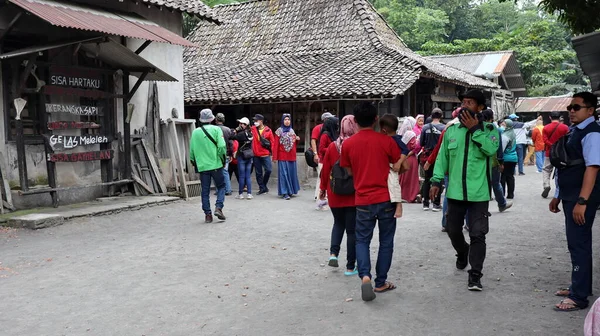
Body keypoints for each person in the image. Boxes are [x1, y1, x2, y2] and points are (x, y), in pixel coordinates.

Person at [430, 89, 499, 291]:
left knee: (478, 234)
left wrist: (475, 130)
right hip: (455, 192)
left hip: (479, 193)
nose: (465, 106)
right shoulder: (451, 131)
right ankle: (462, 252)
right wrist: (435, 181)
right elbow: (442, 158)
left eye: (470, 103)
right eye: (463, 102)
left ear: (480, 108)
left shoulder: (490, 130)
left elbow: (491, 150)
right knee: (453, 230)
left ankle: (475, 275)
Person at [340, 102, 404, 302]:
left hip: (363, 200)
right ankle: (381, 282)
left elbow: (348, 171)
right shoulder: (386, 142)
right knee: (386, 241)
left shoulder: (348, 144)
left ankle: (365, 275)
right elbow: (397, 167)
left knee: (362, 240)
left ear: (356, 121)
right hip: (386, 199)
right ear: (376, 119)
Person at [549, 92, 600, 312]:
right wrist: (559, 194)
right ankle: (579, 286)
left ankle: (579, 297)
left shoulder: (592, 133)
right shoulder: (576, 132)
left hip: (581, 198)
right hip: (571, 196)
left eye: (577, 107)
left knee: (578, 243)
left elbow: (593, 167)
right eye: (570, 106)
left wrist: (582, 200)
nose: (571, 110)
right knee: (576, 242)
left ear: (590, 110)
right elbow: (568, 166)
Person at [320, 115, 359, 276]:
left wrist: (322, 189)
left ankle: (333, 254)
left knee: (338, 224)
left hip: (335, 193)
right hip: (352, 194)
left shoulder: (332, 147)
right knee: (351, 230)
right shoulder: (358, 146)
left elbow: (325, 171)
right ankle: (350, 267)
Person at [189, 109, 227, 223]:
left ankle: (208, 215)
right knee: (221, 186)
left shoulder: (195, 132)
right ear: (212, 119)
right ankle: (218, 207)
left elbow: (192, 150)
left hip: (202, 166)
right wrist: (223, 159)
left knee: (205, 191)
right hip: (215, 164)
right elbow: (221, 147)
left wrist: (193, 162)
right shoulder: (216, 129)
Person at [379, 114, 410, 218]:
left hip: (393, 165)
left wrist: (399, 162)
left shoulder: (395, 139)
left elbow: (405, 150)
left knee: (394, 183)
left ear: (383, 130)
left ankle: (398, 204)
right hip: (390, 165)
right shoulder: (390, 139)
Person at [482, 109, 513, 213]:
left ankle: (482, 209)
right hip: (493, 162)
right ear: (492, 118)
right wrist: (501, 162)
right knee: (496, 183)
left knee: (482, 185)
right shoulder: (495, 129)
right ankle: (502, 204)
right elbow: (498, 147)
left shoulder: (477, 128)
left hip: (479, 162)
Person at [420, 108, 445, 211]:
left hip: (427, 157)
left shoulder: (425, 127)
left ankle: (426, 203)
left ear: (431, 115)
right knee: (437, 179)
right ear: (441, 116)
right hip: (438, 156)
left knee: (427, 179)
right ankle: (436, 203)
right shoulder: (444, 128)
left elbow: (421, 143)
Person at [273, 114, 301, 200]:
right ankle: (285, 192)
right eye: (285, 119)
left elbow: (293, 144)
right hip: (282, 156)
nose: (287, 121)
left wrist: (297, 140)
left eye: (288, 119)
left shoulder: (292, 131)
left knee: (291, 174)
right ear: (282, 121)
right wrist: (274, 157)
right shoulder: (279, 131)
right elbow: (276, 145)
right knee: (284, 174)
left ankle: (290, 191)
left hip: (291, 156)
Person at [542, 111, 569, 198]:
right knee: (560, 170)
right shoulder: (565, 127)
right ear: (560, 117)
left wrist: (552, 146)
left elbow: (545, 140)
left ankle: (546, 185)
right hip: (562, 153)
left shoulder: (546, 128)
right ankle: (559, 189)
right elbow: (567, 140)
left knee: (546, 169)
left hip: (549, 153)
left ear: (550, 117)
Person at [397, 117, 421, 203]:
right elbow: (415, 147)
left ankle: (402, 194)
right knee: (411, 178)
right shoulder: (412, 134)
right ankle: (411, 195)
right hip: (411, 158)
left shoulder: (403, 134)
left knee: (403, 177)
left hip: (403, 157)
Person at [312, 112, 335, 200]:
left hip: (328, 159)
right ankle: (318, 195)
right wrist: (315, 154)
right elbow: (314, 141)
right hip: (321, 158)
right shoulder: (318, 129)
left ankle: (323, 195)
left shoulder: (331, 130)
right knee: (321, 177)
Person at [251, 114, 276, 195]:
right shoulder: (252, 129)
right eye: (254, 121)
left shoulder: (268, 130)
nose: (255, 122)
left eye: (256, 120)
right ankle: (262, 188)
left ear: (261, 121)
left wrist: (273, 155)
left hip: (265, 154)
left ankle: (263, 185)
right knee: (258, 173)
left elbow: (272, 143)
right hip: (256, 154)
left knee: (268, 170)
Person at [232, 117, 254, 200]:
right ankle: (249, 194)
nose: (240, 125)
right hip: (249, 155)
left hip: (241, 156)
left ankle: (240, 194)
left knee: (241, 176)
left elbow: (232, 136)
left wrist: (236, 130)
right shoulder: (250, 133)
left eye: (241, 123)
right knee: (248, 176)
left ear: (245, 125)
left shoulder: (240, 134)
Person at [215, 113, 233, 196]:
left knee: (216, 172)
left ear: (216, 120)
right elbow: (230, 143)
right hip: (226, 153)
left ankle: (218, 190)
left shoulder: (214, 129)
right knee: (225, 172)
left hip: (216, 154)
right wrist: (231, 154)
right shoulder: (228, 129)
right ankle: (228, 190)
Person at [500, 119, 518, 200]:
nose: (502, 125)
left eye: (504, 124)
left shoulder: (505, 136)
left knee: (503, 177)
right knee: (510, 176)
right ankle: (511, 194)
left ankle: (502, 193)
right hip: (513, 158)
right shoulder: (513, 134)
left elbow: (502, 148)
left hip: (506, 158)